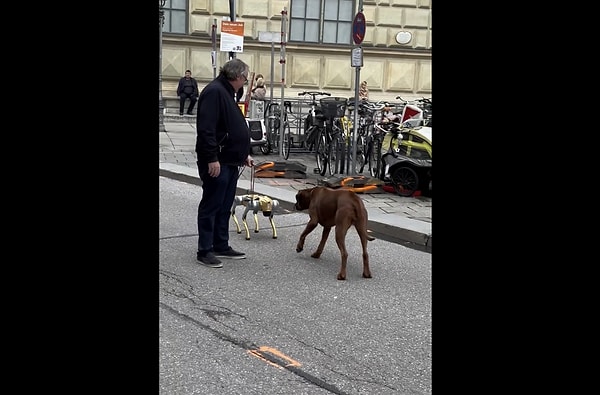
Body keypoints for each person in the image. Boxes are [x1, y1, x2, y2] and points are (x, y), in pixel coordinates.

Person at [194, 58, 254, 268]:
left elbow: (230, 125)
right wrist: (211, 158)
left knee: (225, 204)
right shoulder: (215, 92)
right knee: (212, 204)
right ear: (237, 76)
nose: (245, 82)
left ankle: (220, 244)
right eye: (245, 78)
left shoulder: (227, 92)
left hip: (229, 159)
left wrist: (243, 154)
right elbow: (207, 129)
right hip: (217, 160)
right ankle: (205, 250)